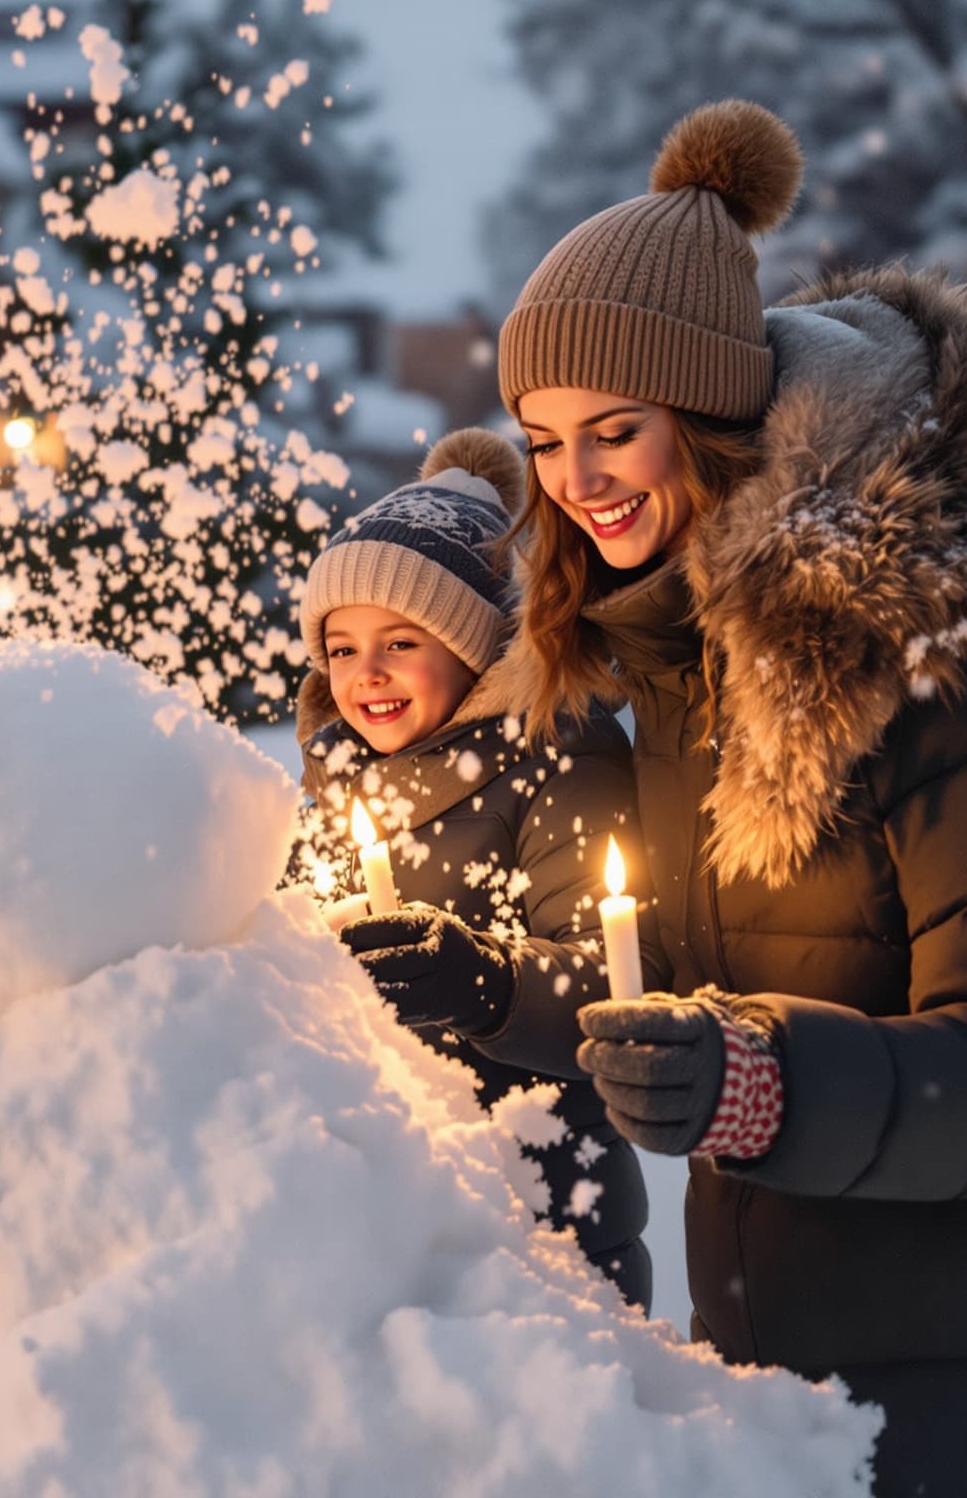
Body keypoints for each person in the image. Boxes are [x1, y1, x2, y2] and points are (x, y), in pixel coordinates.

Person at [497, 100, 967, 1497]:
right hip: (797, 1405)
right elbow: (690, 995)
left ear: (707, 412)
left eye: (612, 430)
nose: (574, 482)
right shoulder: (695, 659)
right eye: (537, 439)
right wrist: (492, 992)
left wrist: (755, 1083)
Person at [295, 429, 662, 1310]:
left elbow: (615, 972)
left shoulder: (558, 755)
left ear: (475, 644)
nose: (365, 674)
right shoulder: (339, 773)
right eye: (341, 649)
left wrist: (484, 981)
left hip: (542, 1204)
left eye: (400, 641)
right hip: (388, 1204)